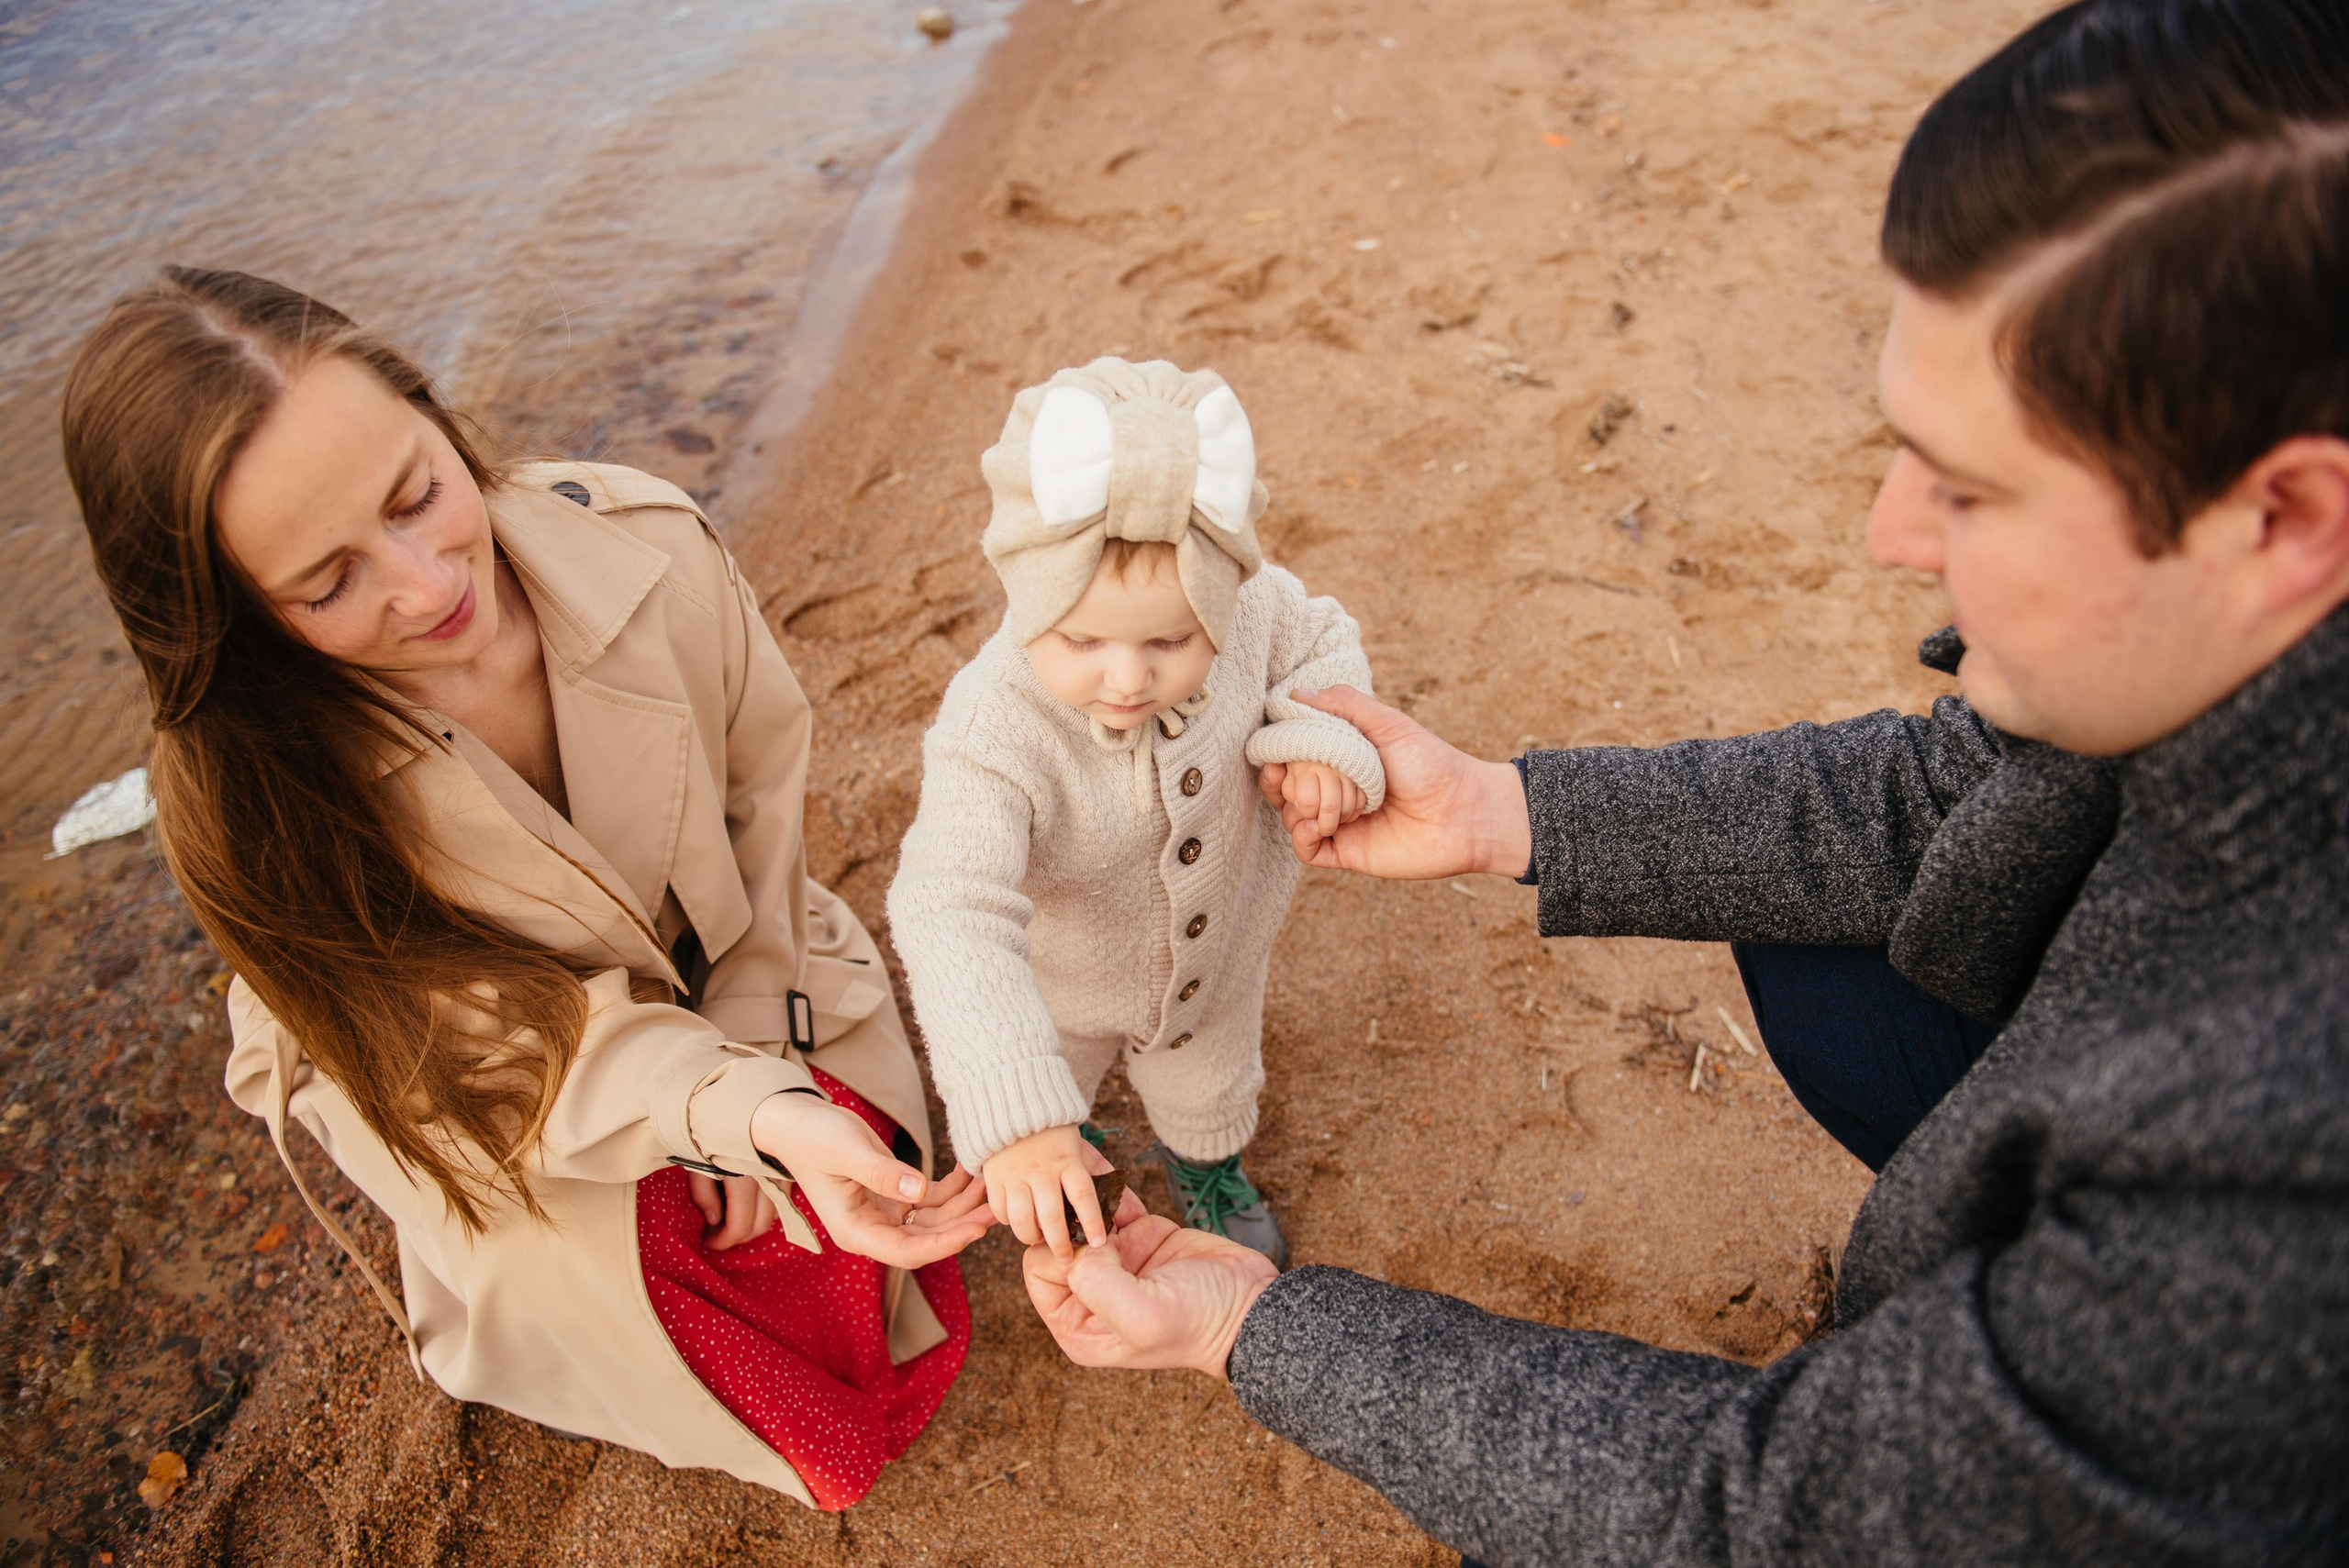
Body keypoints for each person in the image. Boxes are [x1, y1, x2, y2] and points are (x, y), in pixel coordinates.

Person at [1021, 2, 2349, 1562]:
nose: (1888, 528)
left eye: (1972, 486)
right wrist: (1502, 809)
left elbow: (1769, 1522)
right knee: (1837, 933)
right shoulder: (2241, 644)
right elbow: (1955, 797)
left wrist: (1252, 1324)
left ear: (2284, 518)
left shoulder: (2277, 1173)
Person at [60, 269, 995, 1510]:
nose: (427, 584)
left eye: (416, 493)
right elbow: (489, 1055)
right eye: (327, 584)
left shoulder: (647, 542)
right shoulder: (255, 804)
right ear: (231, 621)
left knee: (850, 1198)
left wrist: (761, 1063)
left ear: (438, 413)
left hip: (725, 973)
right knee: (703, 1294)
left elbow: (764, 815)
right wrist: (728, 1116)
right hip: (497, 1090)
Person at [889, 358, 1384, 1269]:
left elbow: (1320, 637)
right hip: (1055, 982)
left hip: (1215, 967)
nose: (1126, 676)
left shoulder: (1251, 609)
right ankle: (1055, 1151)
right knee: (1044, 1085)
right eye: (1080, 639)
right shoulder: (994, 721)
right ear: (1026, 599)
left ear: (1220, 605)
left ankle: (1207, 1168)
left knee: (1209, 1081)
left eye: (1169, 640)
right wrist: (1018, 1107)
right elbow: (946, 899)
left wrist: (1318, 734)